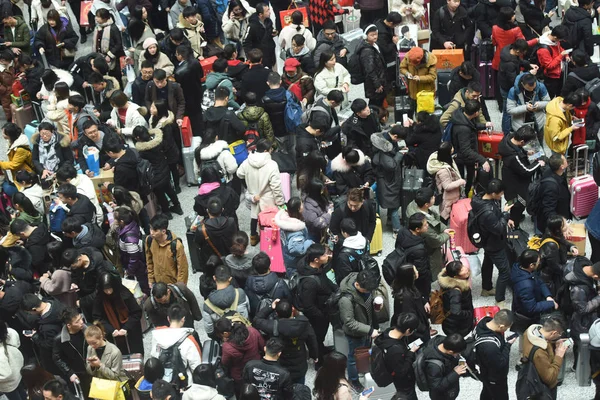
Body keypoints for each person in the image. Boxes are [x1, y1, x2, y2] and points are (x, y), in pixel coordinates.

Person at [339, 269, 387, 390]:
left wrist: (376, 303)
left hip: (367, 327)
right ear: (357, 284)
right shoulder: (346, 299)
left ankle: (362, 368)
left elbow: (372, 293)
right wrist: (370, 331)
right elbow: (349, 322)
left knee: (364, 351)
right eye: (367, 290)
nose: (369, 292)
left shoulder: (365, 282)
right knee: (353, 357)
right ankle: (353, 380)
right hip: (355, 333)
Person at [253, 299, 318, 384]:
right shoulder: (304, 323)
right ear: (292, 310)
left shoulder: (273, 326)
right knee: (299, 386)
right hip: (299, 363)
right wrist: (314, 355)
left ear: (277, 313)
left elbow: (256, 320)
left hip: (281, 363)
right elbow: (312, 340)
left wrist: (270, 307)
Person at [471, 179, 513, 306]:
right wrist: (505, 214)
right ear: (494, 193)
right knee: (505, 271)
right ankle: (499, 300)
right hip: (494, 242)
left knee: (488, 262)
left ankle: (486, 288)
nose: (502, 195)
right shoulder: (488, 212)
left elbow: (495, 217)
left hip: (487, 239)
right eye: (500, 193)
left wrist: (504, 218)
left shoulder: (479, 198)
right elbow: (498, 228)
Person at [236, 139, 285, 246]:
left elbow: (239, 174)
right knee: (268, 219)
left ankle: (253, 237)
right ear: (267, 150)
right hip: (268, 197)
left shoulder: (247, 161)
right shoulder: (272, 164)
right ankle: (269, 239)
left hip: (254, 195)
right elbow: (276, 186)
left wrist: (248, 186)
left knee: (254, 216)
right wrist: (280, 202)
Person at [295, 244, 337, 366]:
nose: (327, 255)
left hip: (322, 309)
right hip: (318, 315)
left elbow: (324, 280)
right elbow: (308, 306)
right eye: (324, 254)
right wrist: (322, 316)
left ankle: (322, 349)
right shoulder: (310, 282)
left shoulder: (315, 267)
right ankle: (319, 361)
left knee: (319, 338)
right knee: (317, 337)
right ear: (316, 260)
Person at [497, 125, 544, 227]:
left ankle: (512, 216)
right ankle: (514, 222)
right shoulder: (513, 157)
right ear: (522, 142)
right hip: (516, 188)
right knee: (519, 204)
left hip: (510, 183)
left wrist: (525, 152)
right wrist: (538, 163)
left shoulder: (509, 138)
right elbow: (526, 171)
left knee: (512, 202)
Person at [133, 126, 183, 218]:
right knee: (170, 190)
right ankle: (178, 207)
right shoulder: (158, 142)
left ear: (138, 138)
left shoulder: (142, 152)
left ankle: (167, 212)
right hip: (165, 170)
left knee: (160, 195)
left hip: (154, 175)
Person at [92, 272, 144, 357]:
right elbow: (98, 318)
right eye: (105, 289)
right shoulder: (99, 298)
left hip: (131, 330)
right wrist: (111, 329)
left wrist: (126, 328)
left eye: (110, 288)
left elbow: (136, 312)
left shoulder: (124, 294)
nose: (108, 292)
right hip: (111, 333)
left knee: (135, 355)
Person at [406, 187, 451, 280]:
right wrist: (447, 234)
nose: (434, 197)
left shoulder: (414, 204)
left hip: (421, 244)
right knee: (433, 270)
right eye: (432, 197)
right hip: (429, 251)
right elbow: (436, 241)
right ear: (426, 204)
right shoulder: (425, 226)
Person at [150, 304, 202, 383]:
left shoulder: (156, 336)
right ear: (183, 319)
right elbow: (196, 366)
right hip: (183, 383)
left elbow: (154, 357)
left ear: (168, 318)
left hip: (163, 382)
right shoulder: (189, 339)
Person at [450, 99, 491, 195]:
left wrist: (484, 125)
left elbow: (471, 125)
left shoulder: (461, 116)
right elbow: (466, 150)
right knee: (466, 177)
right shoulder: (463, 129)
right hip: (463, 158)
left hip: (462, 155)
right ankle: (465, 193)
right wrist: (482, 160)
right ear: (476, 113)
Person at [522, 314, 568, 399]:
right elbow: (549, 378)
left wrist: (554, 343)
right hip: (540, 389)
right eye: (559, 334)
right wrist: (559, 356)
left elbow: (544, 341)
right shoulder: (539, 353)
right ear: (553, 333)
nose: (559, 336)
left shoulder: (529, 332)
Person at [511, 249, 557, 333]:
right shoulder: (525, 286)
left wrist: (548, 296)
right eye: (538, 261)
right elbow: (531, 308)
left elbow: (539, 281)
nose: (539, 263)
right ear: (531, 265)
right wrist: (551, 303)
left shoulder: (522, 268)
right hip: (526, 318)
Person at [474, 310, 516, 400]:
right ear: (501, 326)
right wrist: (508, 345)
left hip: (485, 370)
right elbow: (501, 364)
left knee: (487, 392)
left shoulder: (484, 321)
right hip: (494, 377)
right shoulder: (490, 346)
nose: (506, 330)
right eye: (506, 328)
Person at [214, 318, 264, 391]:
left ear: (225, 333)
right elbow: (263, 346)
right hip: (257, 368)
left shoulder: (227, 347)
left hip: (240, 375)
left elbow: (225, 363)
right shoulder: (252, 331)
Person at [565, 257, 600, 361]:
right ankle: (578, 366)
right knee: (581, 346)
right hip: (581, 322)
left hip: (588, 311)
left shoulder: (585, 266)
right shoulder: (578, 289)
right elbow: (582, 309)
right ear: (595, 276)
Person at [371, 126, 404, 234]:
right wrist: (400, 154)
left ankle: (390, 221)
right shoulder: (384, 148)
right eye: (399, 139)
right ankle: (397, 230)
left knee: (392, 203)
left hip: (387, 180)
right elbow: (391, 166)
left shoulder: (383, 140)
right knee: (394, 206)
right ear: (395, 136)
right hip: (388, 181)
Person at [21, 293, 65, 374]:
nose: (30, 314)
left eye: (29, 312)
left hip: (61, 355)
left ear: (34, 309)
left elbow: (49, 345)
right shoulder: (55, 303)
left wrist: (35, 336)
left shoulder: (47, 327)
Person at [201, 265, 250, 336]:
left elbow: (209, 330)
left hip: (224, 336)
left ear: (214, 278)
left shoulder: (207, 304)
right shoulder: (240, 293)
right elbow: (248, 311)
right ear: (230, 279)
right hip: (242, 333)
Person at [52, 308, 90, 397]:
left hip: (94, 368)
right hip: (79, 373)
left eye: (81, 318)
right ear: (69, 325)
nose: (81, 322)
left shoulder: (88, 329)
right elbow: (57, 358)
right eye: (77, 321)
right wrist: (69, 372)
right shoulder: (59, 339)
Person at [538, 215, 577, 297]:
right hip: (551, 275)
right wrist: (570, 271)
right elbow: (555, 267)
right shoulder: (551, 246)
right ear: (558, 229)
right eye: (564, 224)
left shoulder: (553, 232)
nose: (567, 224)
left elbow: (562, 241)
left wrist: (571, 247)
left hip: (559, 263)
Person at [394, 213, 431, 299]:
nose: (427, 226)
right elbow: (421, 272)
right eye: (425, 225)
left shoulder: (402, 231)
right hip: (416, 282)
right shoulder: (419, 250)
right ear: (417, 229)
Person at [426, 142, 465, 222]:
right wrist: (461, 181)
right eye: (451, 148)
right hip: (448, 198)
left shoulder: (444, 160)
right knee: (445, 216)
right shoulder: (443, 170)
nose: (453, 148)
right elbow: (447, 186)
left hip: (451, 196)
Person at [275, 198, 314, 277]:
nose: (303, 205)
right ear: (299, 209)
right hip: (295, 262)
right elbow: (297, 249)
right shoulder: (296, 232)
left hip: (287, 256)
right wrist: (309, 242)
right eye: (301, 204)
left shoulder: (283, 220)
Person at [113, 208, 149, 294]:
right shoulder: (132, 224)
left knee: (143, 287)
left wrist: (129, 271)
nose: (114, 220)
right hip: (136, 266)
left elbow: (134, 258)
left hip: (138, 268)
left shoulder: (129, 238)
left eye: (115, 219)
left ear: (121, 221)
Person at [146, 214, 189, 285]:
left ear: (163, 231)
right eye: (150, 228)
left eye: (155, 230)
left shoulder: (176, 246)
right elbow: (149, 260)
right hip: (158, 283)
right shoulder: (149, 240)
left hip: (172, 284)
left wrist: (179, 287)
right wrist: (150, 279)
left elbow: (182, 270)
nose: (151, 232)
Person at [422, 333, 468, 400]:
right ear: (450, 352)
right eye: (457, 353)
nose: (458, 355)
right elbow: (436, 387)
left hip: (449, 387)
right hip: (442, 396)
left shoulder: (442, 341)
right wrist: (455, 373)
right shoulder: (434, 366)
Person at [506, 73, 550, 141]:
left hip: (538, 122)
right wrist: (525, 108)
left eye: (534, 88)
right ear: (522, 84)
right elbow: (510, 110)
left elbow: (548, 102)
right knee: (522, 144)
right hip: (520, 124)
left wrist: (539, 104)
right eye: (529, 89)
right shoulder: (513, 91)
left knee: (539, 143)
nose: (532, 90)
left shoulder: (540, 86)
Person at [534, 153, 571, 233]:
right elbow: (548, 210)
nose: (566, 160)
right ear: (562, 167)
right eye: (565, 160)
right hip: (554, 226)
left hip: (561, 211)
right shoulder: (551, 186)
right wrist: (561, 223)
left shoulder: (556, 172)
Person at [195, 197, 237, 265]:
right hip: (231, 259)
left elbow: (198, 245)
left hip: (212, 262)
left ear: (207, 211)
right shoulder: (231, 222)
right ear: (222, 209)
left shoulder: (201, 230)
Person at [174, 45, 204, 136]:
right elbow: (201, 75)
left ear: (180, 56)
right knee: (198, 115)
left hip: (186, 97)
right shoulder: (195, 62)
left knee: (191, 118)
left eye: (176, 54)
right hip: (197, 92)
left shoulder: (178, 72)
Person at [438, 260, 473, 337]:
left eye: (462, 266)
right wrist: (469, 313)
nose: (465, 269)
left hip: (452, 322)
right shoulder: (455, 291)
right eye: (461, 270)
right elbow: (456, 312)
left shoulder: (450, 282)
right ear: (455, 276)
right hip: (457, 326)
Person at [355, 25, 387, 107]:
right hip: (373, 83)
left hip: (379, 78)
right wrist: (377, 84)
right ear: (366, 36)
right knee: (375, 102)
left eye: (376, 34)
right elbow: (370, 70)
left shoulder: (374, 45)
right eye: (372, 35)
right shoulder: (367, 51)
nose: (375, 37)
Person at [262, 71, 293, 153]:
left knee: (278, 151)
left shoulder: (264, 99)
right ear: (280, 81)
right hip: (289, 127)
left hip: (274, 129)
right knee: (291, 149)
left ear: (268, 83)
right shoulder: (289, 95)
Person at [537, 25, 570, 98]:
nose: (561, 41)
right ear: (555, 37)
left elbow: (560, 48)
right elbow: (549, 66)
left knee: (560, 92)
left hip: (559, 72)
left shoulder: (554, 41)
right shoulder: (543, 50)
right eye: (561, 39)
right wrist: (561, 56)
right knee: (550, 95)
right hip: (551, 76)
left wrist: (566, 55)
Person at [92, 9, 125, 82]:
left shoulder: (113, 28)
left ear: (104, 18)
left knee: (116, 78)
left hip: (113, 59)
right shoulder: (98, 27)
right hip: (101, 56)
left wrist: (110, 55)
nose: (96, 18)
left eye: (98, 17)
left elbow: (119, 44)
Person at [0, 123, 33, 194]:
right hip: (19, 172)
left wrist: (1, 164)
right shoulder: (13, 142)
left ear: (10, 135)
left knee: (6, 187)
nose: (2, 134)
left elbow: (14, 164)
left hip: (25, 175)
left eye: (4, 133)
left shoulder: (20, 149)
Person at [333, 219, 368, 285]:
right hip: (364, 274)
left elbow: (344, 277)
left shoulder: (343, 255)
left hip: (353, 283)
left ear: (345, 233)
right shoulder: (365, 240)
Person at [243, 3, 276, 68]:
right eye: (267, 11)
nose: (269, 12)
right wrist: (250, 57)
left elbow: (269, 34)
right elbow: (246, 42)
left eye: (269, 9)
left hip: (269, 53)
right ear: (261, 14)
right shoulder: (252, 26)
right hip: (258, 56)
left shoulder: (268, 22)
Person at [0, 320, 25, 400]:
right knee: (21, 391)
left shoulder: (0, 354)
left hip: (8, 384)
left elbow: (5, 374)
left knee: (15, 397)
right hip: (18, 371)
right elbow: (18, 344)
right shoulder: (11, 332)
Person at [302, 178, 332, 242]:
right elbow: (316, 224)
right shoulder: (308, 207)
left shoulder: (320, 197)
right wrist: (328, 215)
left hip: (323, 232)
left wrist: (330, 207)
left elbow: (328, 204)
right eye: (322, 189)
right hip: (314, 235)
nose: (323, 190)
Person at [375, 12, 403, 82]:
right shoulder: (382, 33)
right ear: (391, 23)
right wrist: (394, 43)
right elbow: (385, 49)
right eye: (395, 25)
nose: (395, 27)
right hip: (386, 61)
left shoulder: (380, 22)